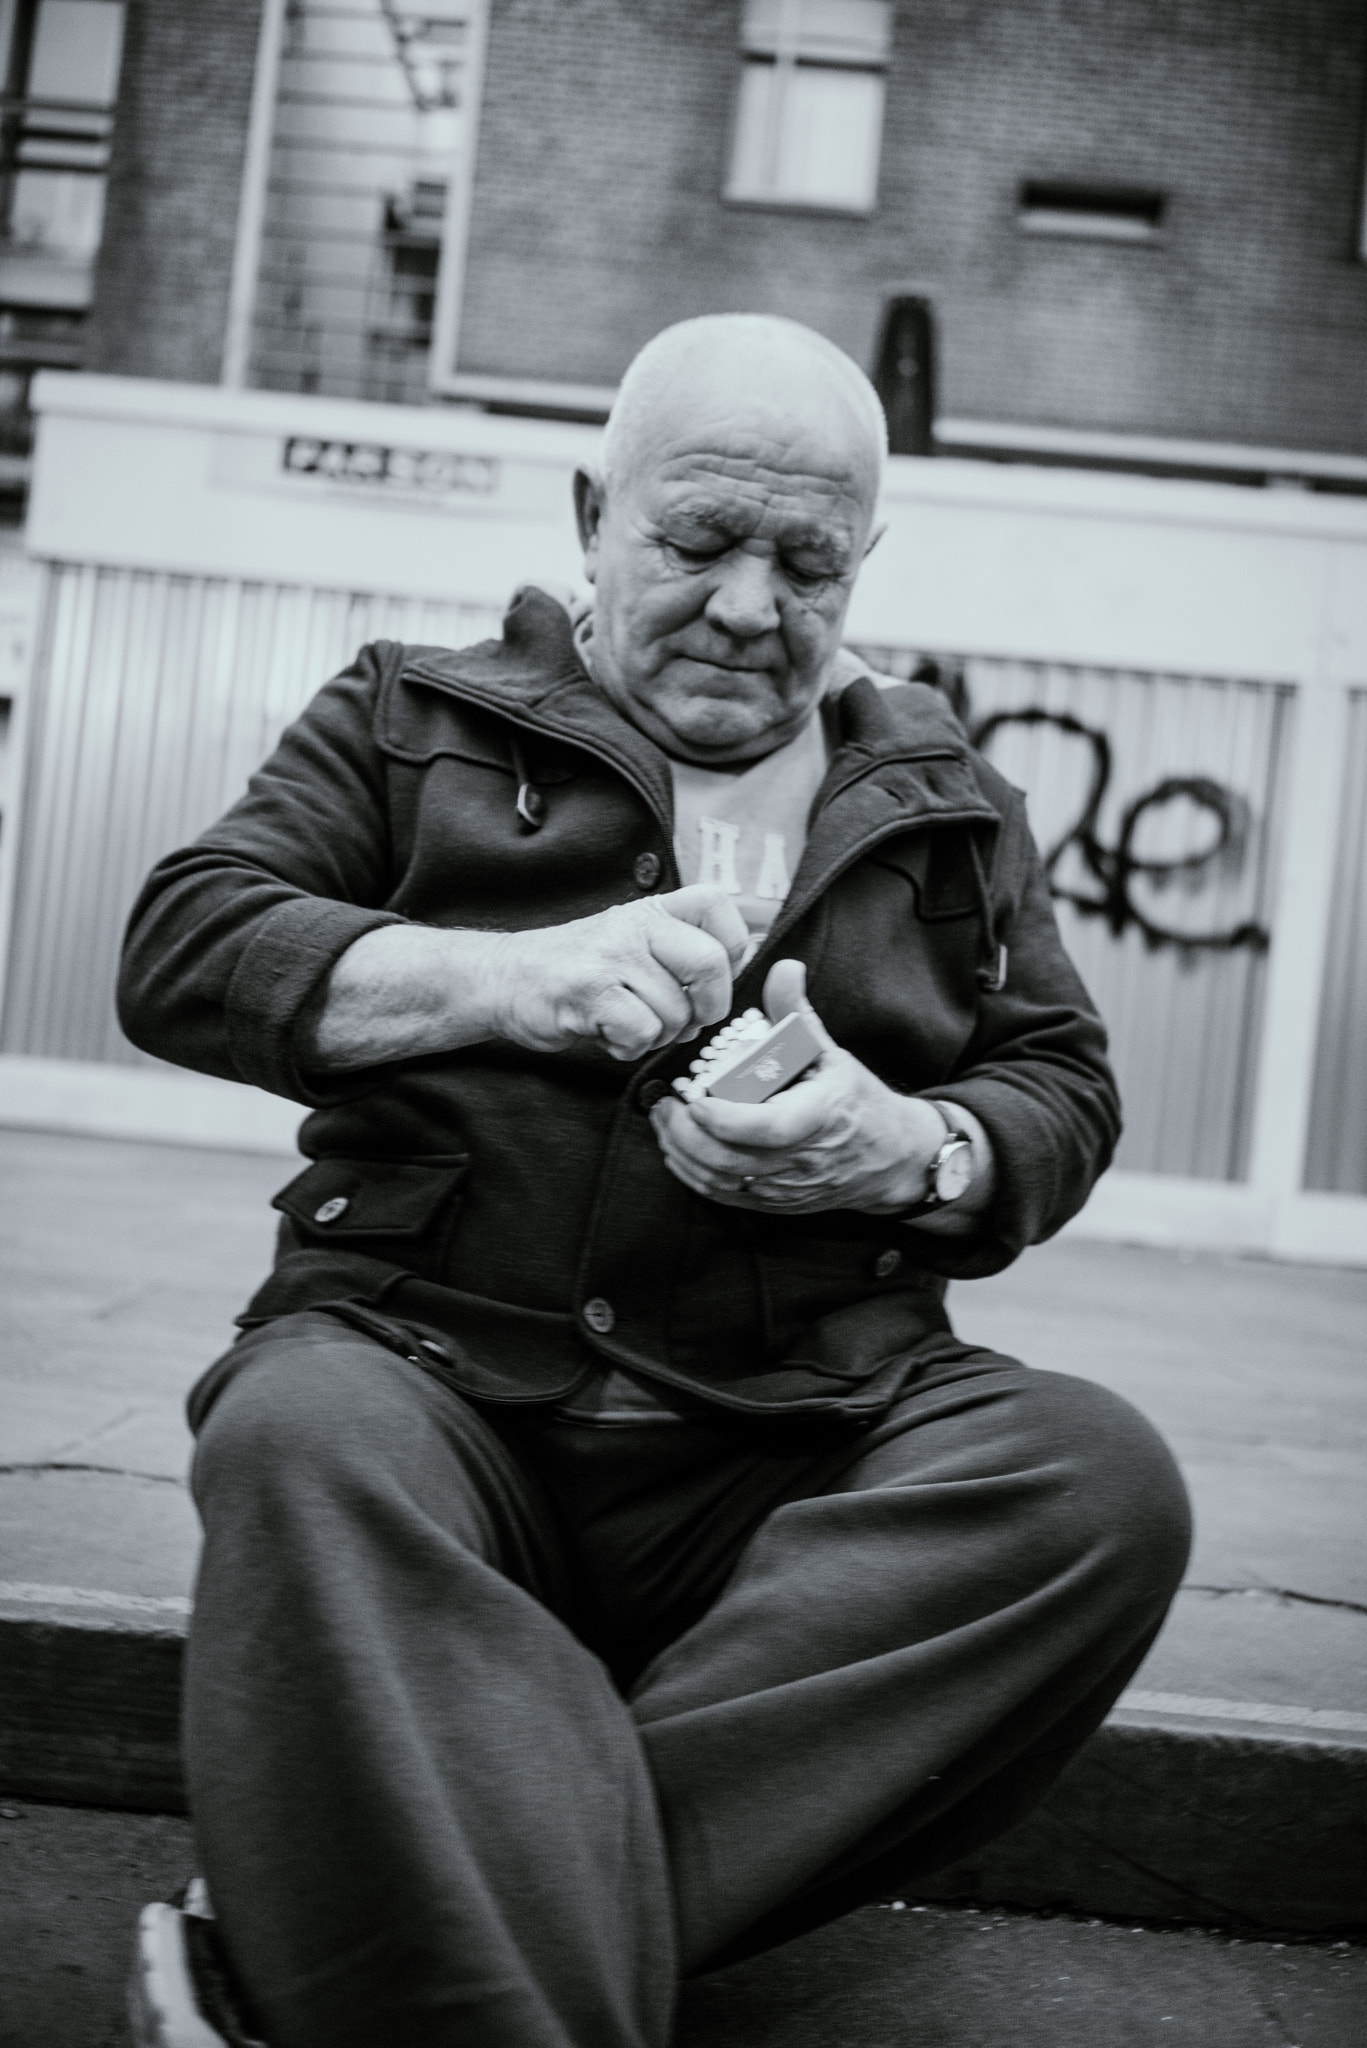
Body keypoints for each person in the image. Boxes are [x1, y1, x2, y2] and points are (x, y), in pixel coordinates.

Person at [120, 314, 1190, 2048]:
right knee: (297, 1435)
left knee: (1098, 1486)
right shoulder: (408, 715)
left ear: (866, 567)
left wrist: (902, 1143)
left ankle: (338, 1928)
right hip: (425, 1378)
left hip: (803, 1428)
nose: (753, 605)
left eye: (808, 562)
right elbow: (187, 942)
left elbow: (1059, 1086)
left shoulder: (952, 800)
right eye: (698, 542)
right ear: (589, 515)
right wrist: (503, 979)